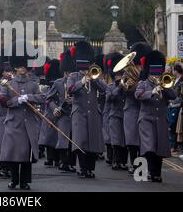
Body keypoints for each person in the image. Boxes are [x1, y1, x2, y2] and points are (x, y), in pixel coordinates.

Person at [0, 40, 44, 190]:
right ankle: (14, 180)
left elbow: (41, 98)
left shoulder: (33, 84)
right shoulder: (9, 83)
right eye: (19, 66)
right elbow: (3, 101)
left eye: (24, 66)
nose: (22, 69)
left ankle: (24, 181)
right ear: (15, 67)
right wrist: (17, 100)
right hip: (13, 122)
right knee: (13, 154)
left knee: (26, 156)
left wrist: (29, 97)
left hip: (28, 123)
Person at [134, 50, 176, 182]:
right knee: (150, 146)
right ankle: (149, 170)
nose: (155, 75)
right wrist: (152, 92)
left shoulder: (165, 82)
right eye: (153, 72)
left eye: (158, 72)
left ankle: (156, 173)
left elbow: (174, 96)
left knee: (160, 148)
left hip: (161, 119)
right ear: (149, 71)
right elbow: (138, 95)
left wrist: (164, 87)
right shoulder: (143, 83)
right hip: (146, 119)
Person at [67, 41, 107, 179]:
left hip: (93, 113)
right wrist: (82, 81)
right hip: (79, 112)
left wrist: (94, 79)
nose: (85, 69)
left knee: (93, 142)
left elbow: (105, 89)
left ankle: (90, 168)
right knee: (81, 141)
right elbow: (70, 89)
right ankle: (83, 168)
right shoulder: (73, 76)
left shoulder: (95, 75)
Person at [45, 53, 77, 173]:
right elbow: (48, 98)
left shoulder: (78, 82)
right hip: (63, 114)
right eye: (67, 72)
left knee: (74, 139)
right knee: (63, 139)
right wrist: (55, 108)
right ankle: (64, 162)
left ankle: (72, 163)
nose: (69, 75)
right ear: (64, 72)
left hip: (74, 113)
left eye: (71, 72)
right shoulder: (58, 82)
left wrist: (74, 100)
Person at [123, 42, 152, 174]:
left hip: (145, 109)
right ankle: (135, 165)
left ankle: (144, 166)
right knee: (132, 140)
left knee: (144, 140)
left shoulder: (149, 71)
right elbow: (127, 90)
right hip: (132, 109)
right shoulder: (128, 72)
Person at [105, 52, 128, 171]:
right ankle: (115, 161)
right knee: (115, 140)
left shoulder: (126, 85)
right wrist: (119, 87)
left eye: (121, 75)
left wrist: (125, 86)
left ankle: (123, 162)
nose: (119, 77)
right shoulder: (110, 86)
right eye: (117, 75)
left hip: (125, 115)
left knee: (124, 139)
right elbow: (109, 98)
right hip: (114, 115)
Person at [38, 59, 61, 168]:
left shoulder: (58, 83)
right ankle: (51, 158)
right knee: (50, 136)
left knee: (54, 136)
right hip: (51, 112)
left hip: (56, 111)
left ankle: (54, 158)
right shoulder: (49, 85)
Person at [168, 64, 183, 155]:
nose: (172, 72)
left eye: (173, 70)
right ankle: (172, 145)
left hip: (176, 105)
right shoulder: (173, 80)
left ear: (176, 71)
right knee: (170, 126)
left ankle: (175, 146)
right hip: (170, 105)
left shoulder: (182, 81)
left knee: (173, 125)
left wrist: (178, 104)